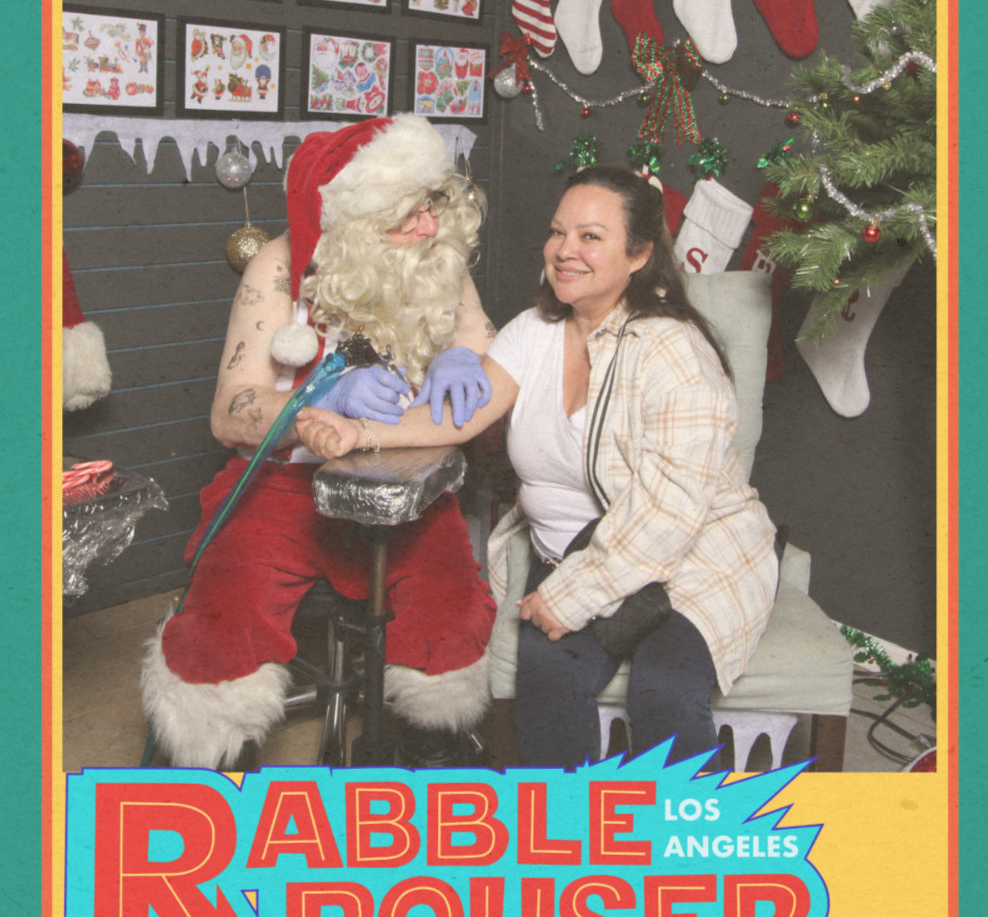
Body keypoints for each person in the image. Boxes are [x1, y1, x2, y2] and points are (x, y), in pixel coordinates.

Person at [298, 164, 779, 768]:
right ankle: (561, 824)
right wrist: (359, 431)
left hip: (690, 558)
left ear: (638, 256)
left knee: (665, 689)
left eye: (590, 237)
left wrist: (573, 596)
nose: (564, 251)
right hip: (566, 552)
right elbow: (458, 419)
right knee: (548, 688)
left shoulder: (674, 352)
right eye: (558, 232)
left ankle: (688, 828)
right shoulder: (533, 332)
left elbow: (671, 512)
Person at [141, 113, 498, 770]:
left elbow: (479, 336)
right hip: (285, 482)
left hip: (404, 475)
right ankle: (208, 772)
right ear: (355, 225)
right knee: (225, 617)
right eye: (409, 215)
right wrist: (316, 398)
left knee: (450, 609)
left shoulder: (434, 251)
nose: (430, 226)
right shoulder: (278, 269)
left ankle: (431, 760)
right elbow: (230, 412)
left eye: (432, 205)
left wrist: (463, 356)